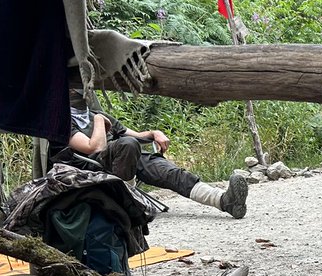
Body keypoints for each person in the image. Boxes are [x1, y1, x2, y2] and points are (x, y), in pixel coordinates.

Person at [50, 88, 249, 219]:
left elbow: (133, 135)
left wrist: (154, 133)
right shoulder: (59, 121)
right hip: (90, 167)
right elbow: (94, 147)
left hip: (124, 159)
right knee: (127, 145)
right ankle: (128, 203)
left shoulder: (94, 114)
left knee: (168, 171)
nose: (84, 91)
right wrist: (100, 122)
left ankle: (224, 200)